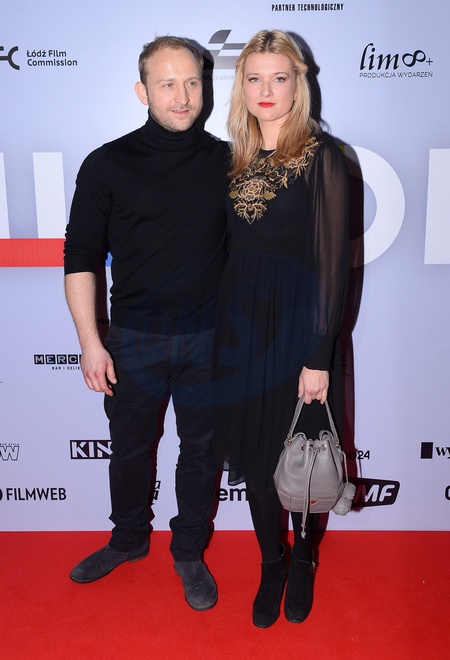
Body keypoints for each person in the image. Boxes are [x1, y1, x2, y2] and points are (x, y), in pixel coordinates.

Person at [64, 36, 230, 611]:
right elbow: (80, 256)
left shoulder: (229, 163)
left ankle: (189, 551)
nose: (182, 96)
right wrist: (90, 342)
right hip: (133, 339)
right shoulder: (107, 164)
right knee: (130, 449)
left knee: (201, 452)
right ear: (143, 91)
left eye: (192, 82)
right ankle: (129, 538)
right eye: (168, 84)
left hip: (209, 339)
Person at [213, 30, 349, 627]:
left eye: (279, 77)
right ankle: (273, 561)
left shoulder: (323, 158)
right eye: (254, 78)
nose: (266, 89)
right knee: (257, 452)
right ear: (240, 86)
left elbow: (330, 266)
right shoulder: (231, 160)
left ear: (299, 84)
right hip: (240, 333)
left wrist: (318, 355)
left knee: (302, 455)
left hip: (299, 330)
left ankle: (306, 559)